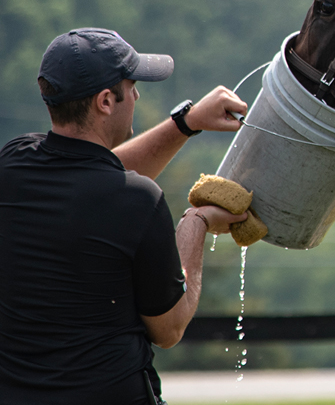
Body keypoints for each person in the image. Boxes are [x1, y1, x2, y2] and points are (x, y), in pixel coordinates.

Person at [0, 28, 249, 405]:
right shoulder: (138, 201)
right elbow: (170, 328)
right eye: (131, 85)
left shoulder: (13, 162)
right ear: (105, 101)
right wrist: (195, 225)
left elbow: (96, 175)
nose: (136, 94)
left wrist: (187, 122)